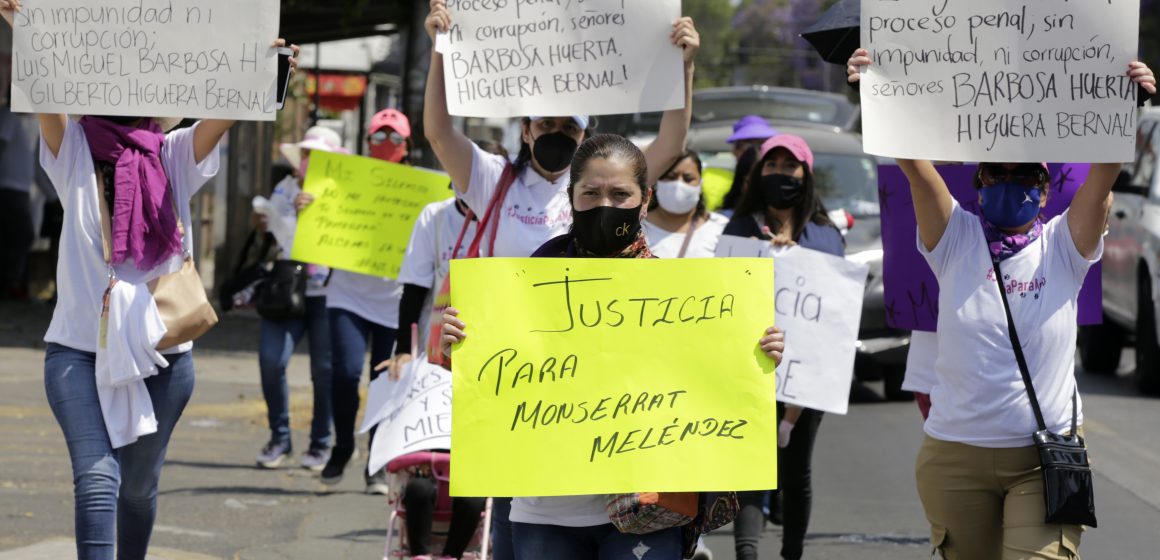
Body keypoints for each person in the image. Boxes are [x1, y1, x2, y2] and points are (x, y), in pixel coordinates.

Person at [0, 3, 298, 556]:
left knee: (137, 490)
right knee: (97, 482)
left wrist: (266, 62)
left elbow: (230, 105)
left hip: (164, 358)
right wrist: (30, 31)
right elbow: (46, 93)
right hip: (78, 354)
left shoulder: (173, 153)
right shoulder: (75, 153)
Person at [848, 49, 1156, 559]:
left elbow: (1103, 176)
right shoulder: (955, 238)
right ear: (978, 182)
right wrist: (874, 93)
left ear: (1044, 190)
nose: (1010, 184)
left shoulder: (1065, 244)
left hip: (1043, 458)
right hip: (955, 458)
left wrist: (1126, 109)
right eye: (997, 173)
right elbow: (915, 168)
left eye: (1025, 177)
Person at [421, 1, 701, 556]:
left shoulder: (607, 179)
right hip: (527, 393)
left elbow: (669, 142)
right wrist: (440, 51)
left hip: (613, 408)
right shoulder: (491, 180)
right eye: (544, 123)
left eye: (567, 125)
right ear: (526, 131)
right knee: (521, 515)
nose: (604, 204)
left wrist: (683, 68)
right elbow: (437, 131)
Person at [439, 134, 787, 560]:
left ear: (645, 200)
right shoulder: (521, 287)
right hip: (547, 511)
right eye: (591, 193)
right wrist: (456, 344)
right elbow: (483, 382)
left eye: (620, 193)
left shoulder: (686, 300)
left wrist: (755, 351)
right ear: (572, 198)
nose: (605, 204)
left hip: (648, 510)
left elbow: (711, 384)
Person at [723, 134, 844, 560]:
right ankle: (748, 553)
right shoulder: (738, 230)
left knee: (796, 472)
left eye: (789, 166)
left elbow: (832, 309)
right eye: (770, 166)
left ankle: (792, 552)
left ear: (805, 174)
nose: (779, 174)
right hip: (751, 370)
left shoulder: (826, 236)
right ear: (759, 174)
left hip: (807, 377)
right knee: (753, 467)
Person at [294, 109, 412, 493]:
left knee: (383, 381)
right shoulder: (346, 178)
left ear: (407, 145)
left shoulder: (422, 189)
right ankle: (342, 446)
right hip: (347, 294)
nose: (386, 145)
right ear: (366, 142)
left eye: (394, 138)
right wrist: (305, 209)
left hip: (395, 300)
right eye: (379, 137)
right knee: (344, 373)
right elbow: (319, 224)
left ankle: (376, 461)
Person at [250, 127, 344, 470]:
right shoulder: (285, 187)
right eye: (306, 153)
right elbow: (269, 227)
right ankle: (280, 437)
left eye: (317, 154)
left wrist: (321, 211)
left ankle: (321, 443)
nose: (309, 160)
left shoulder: (345, 192)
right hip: (289, 288)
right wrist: (261, 220)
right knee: (271, 360)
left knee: (325, 369)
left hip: (329, 294)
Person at [643, 150, 729, 258]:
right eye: (671, 176)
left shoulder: (722, 227)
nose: (679, 184)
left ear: (700, 184)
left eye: (688, 179)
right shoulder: (637, 228)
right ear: (657, 181)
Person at [0, 105, 39, 300]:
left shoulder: (24, 122)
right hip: (10, 187)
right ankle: (11, 282)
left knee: (14, 236)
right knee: (23, 235)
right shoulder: (9, 116)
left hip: (19, 189)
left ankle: (11, 282)